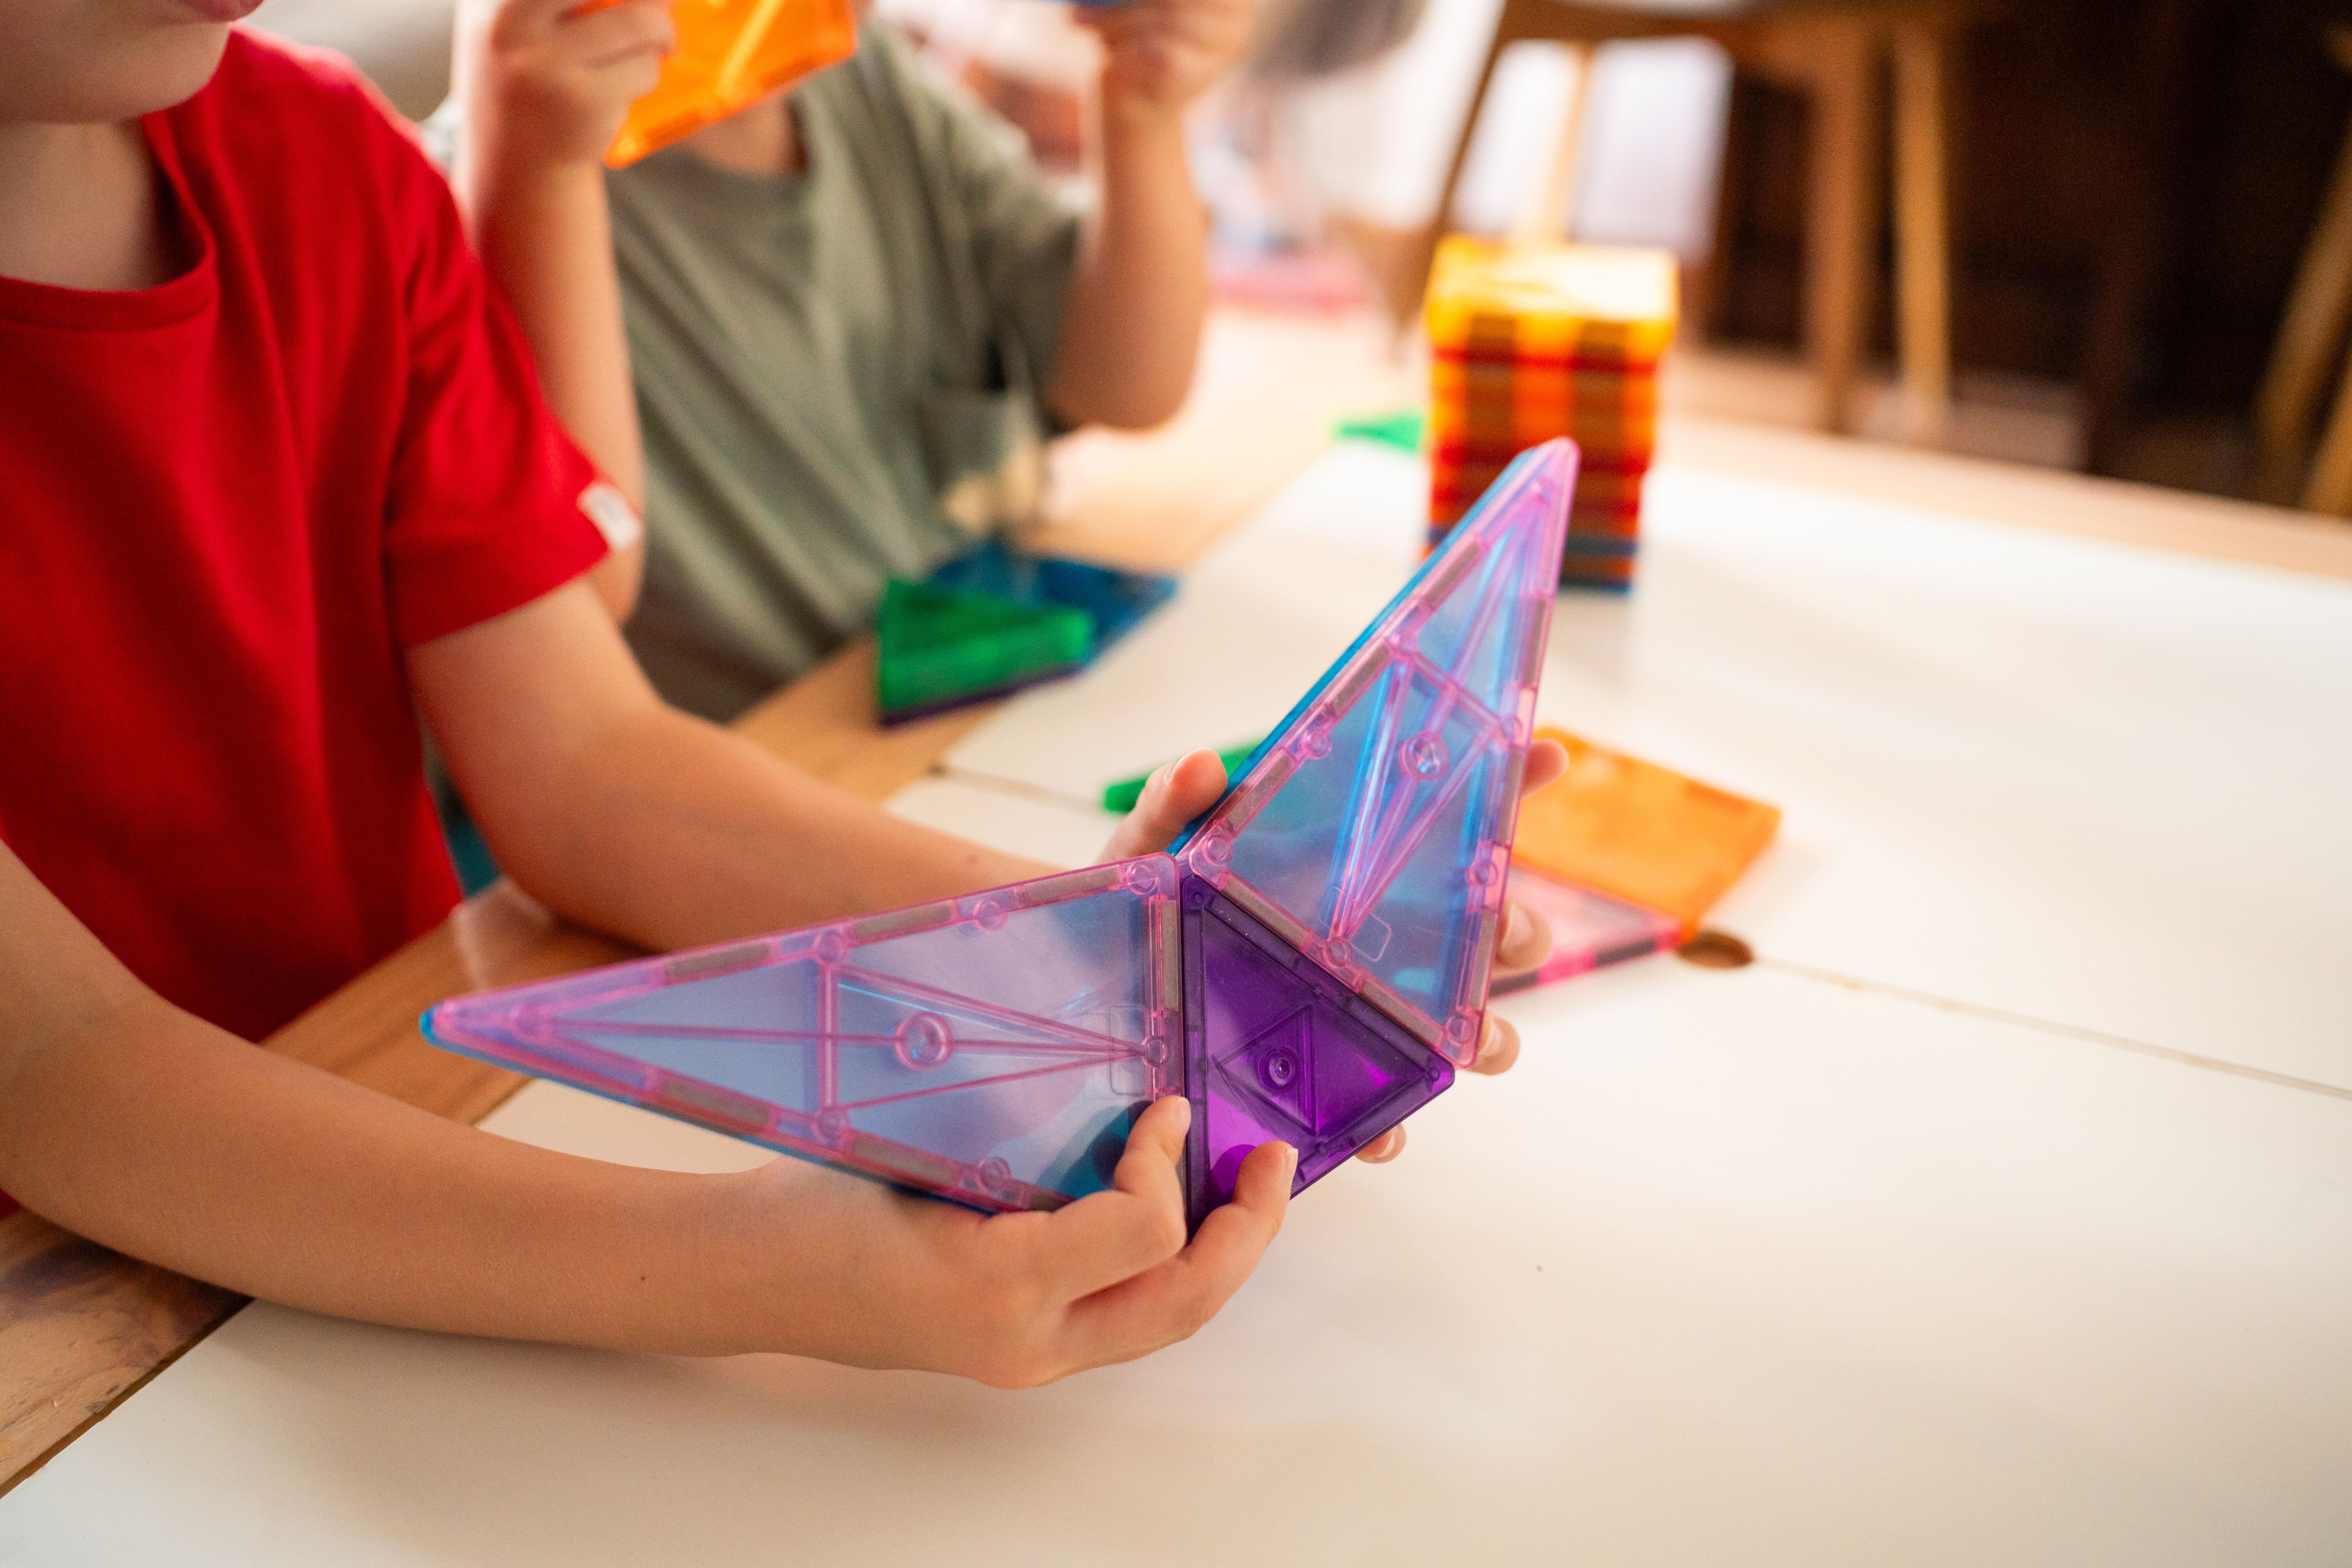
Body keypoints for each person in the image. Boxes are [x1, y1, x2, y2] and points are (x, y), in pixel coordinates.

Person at [0, 0, 1564, 1386]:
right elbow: (53, 1068)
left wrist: (1126, 948)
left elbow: (592, 765)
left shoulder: (326, 163)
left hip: (378, 1130)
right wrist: (775, 1268)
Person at [447, 0, 1255, 721]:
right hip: (762, 777)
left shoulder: (868, 80)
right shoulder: (488, 172)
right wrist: (535, 174)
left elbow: (1124, 384)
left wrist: (1143, 114)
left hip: (977, 699)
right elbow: (562, 612)